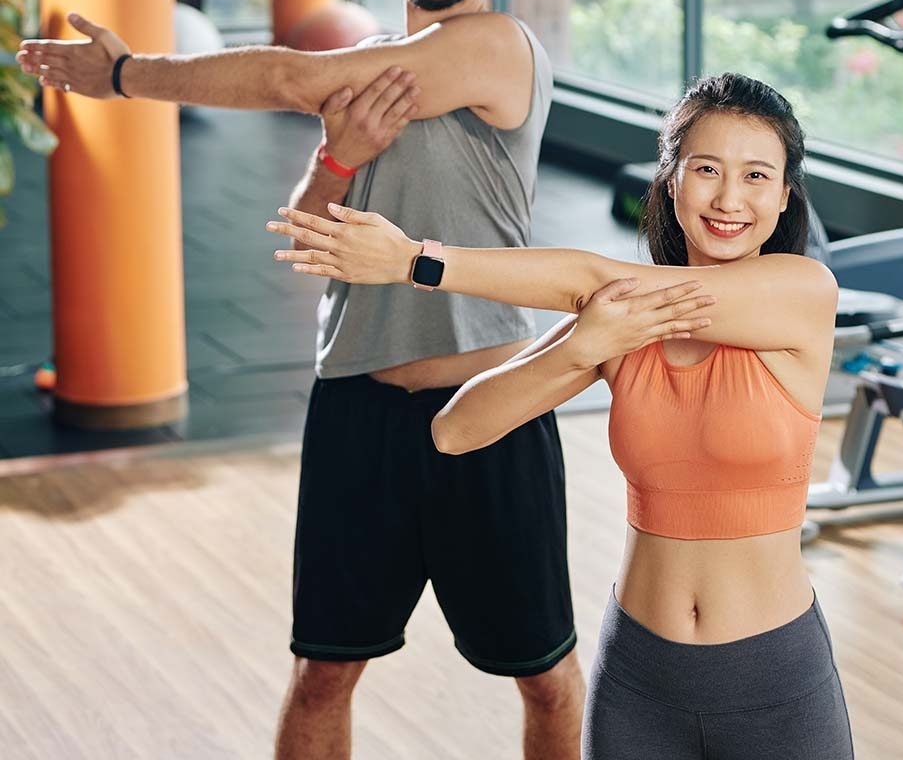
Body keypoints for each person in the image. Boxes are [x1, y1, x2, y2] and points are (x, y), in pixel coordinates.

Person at [18, 0, 711, 760]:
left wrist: (124, 75)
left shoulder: (496, 47)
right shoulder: (371, 74)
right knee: (322, 673)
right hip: (357, 407)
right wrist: (337, 156)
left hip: (490, 407)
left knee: (545, 676)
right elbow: (310, 236)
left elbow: (291, 80)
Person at [266, 72, 856, 759]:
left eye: (757, 176)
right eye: (705, 169)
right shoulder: (618, 320)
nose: (729, 198)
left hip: (774, 680)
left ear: (785, 198)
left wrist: (414, 262)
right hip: (639, 679)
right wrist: (585, 346)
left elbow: (592, 279)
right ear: (670, 183)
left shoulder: (802, 292)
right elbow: (456, 430)